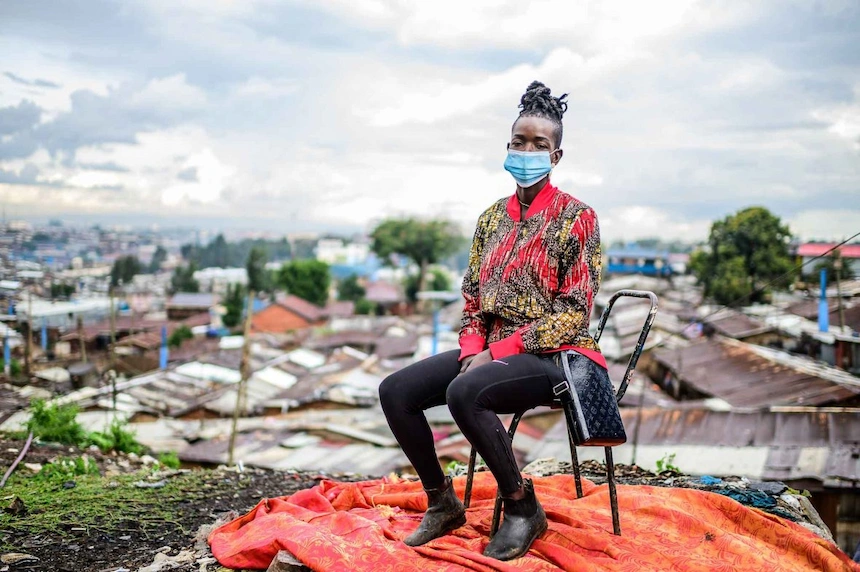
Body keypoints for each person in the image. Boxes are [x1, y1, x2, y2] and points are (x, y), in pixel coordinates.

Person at [378, 80, 607, 561]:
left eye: (539, 145)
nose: (527, 151)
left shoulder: (577, 217)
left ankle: (523, 507)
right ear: (507, 147)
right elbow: (473, 298)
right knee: (396, 392)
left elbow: (573, 312)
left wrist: (493, 354)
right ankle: (442, 502)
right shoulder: (489, 220)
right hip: (489, 351)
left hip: (555, 356)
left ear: (556, 155)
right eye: (519, 142)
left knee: (466, 390)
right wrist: (470, 351)